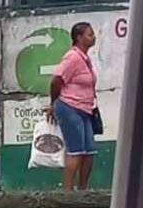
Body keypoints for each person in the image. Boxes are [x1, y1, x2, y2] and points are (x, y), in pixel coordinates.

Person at [47, 22, 97, 191]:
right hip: (70, 106)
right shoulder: (73, 57)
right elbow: (56, 81)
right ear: (79, 37)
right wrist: (53, 103)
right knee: (76, 150)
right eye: (90, 34)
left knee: (89, 151)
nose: (93, 37)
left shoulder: (85, 58)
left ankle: (83, 190)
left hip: (85, 108)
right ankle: (67, 192)